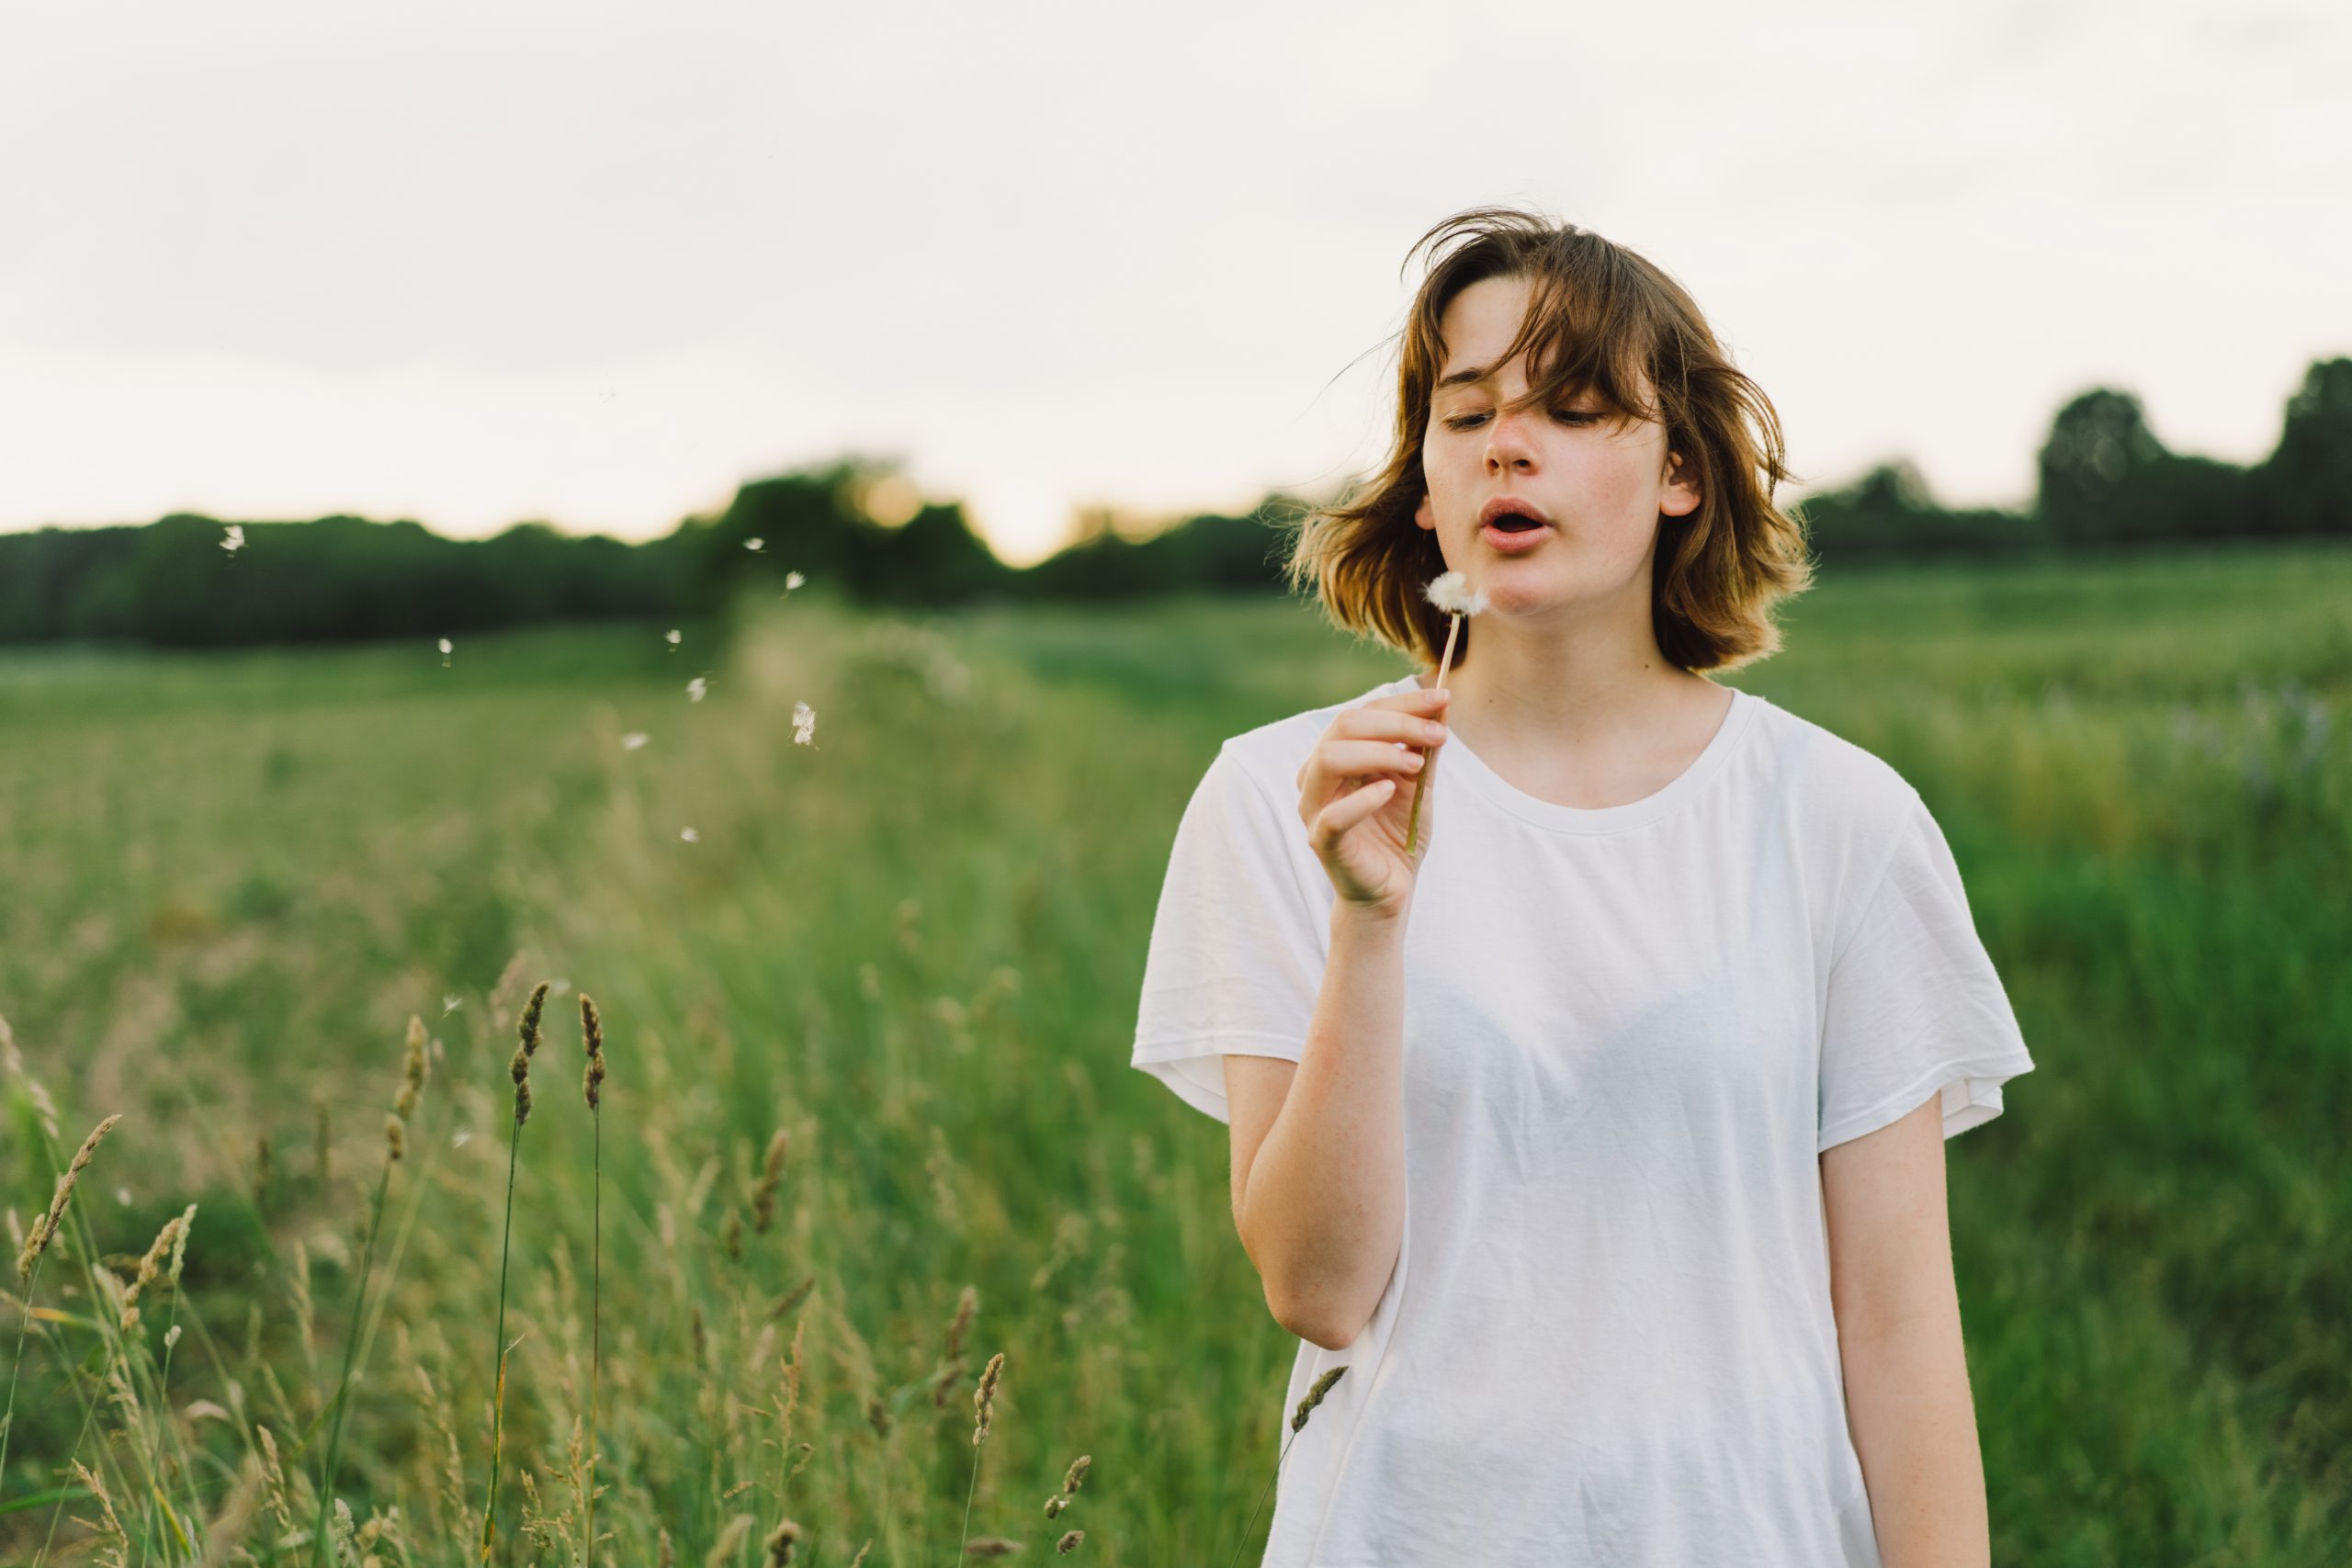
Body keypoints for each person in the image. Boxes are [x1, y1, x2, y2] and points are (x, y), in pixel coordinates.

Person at [1129, 207, 2036, 1566]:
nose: (1508, 441)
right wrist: (1367, 924)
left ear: (1680, 471)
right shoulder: (1284, 799)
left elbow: (1900, 1330)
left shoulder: (1843, 821)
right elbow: (1316, 1289)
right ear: (1427, 482)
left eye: (1576, 407)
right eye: (1468, 411)